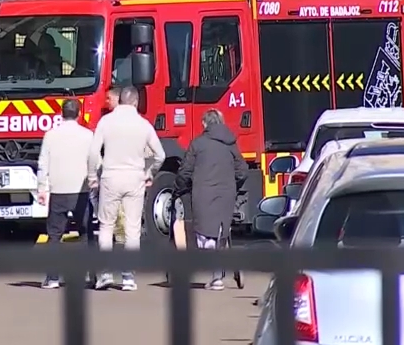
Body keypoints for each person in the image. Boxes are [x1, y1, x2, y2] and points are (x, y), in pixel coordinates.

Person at [87, 86, 165, 291]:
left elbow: (93, 153)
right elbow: (160, 155)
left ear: (120, 100)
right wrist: (149, 173)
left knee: (106, 226)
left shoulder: (106, 122)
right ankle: (128, 277)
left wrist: (92, 177)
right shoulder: (144, 125)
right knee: (132, 228)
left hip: (110, 177)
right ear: (136, 102)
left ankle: (105, 273)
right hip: (135, 178)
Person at [174, 109, 248, 290]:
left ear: (205, 124)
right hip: (226, 193)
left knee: (205, 235)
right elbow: (243, 171)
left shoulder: (197, 144)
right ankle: (220, 272)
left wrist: (180, 188)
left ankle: (216, 277)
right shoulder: (230, 143)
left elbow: (185, 171)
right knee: (221, 232)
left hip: (203, 193)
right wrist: (233, 186)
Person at [36, 99, 95, 289]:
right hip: (81, 191)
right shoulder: (88, 135)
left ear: (61, 114)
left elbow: (42, 164)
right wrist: (94, 182)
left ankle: (52, 277)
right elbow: (95, 162)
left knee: (54, 235)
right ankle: (91, 275)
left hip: (58, 191)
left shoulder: (50, 135)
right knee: (85, 234)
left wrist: (42, 188)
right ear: (79, 114)